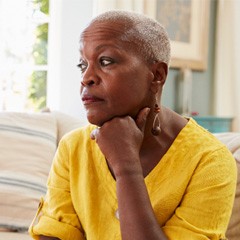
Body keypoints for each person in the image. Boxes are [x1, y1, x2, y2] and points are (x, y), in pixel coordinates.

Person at [29, 10, 237, 240]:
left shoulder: (210, 161)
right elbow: (54, 235)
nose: (86, 77)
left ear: (157, 75)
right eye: (82, 64)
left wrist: (126, 167)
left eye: (105, 61)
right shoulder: (73, 147)